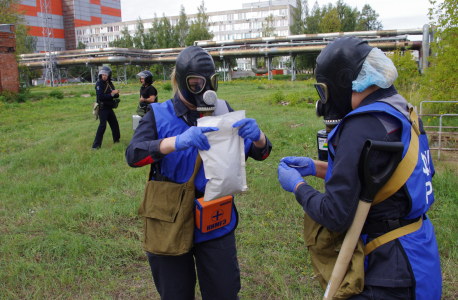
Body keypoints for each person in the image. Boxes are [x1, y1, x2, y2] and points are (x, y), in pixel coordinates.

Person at [277, 36, 441, 300]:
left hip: (387, 271)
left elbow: (335, 215)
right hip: (420, 255)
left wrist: (297, 186)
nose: (325, 100)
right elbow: (383, 175)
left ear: (343, 82)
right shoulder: (402, 110)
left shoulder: (360, 124)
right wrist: (316, 167)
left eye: (324, 90)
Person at [125, 46, 272, 300]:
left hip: (215, 217)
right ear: (181, 82)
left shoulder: (223, 109)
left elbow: (261, 152)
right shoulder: (159, 114)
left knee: (224, 292)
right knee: (176, 294)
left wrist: (259, 138)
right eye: (195, 84)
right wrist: (176, 142)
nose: (203, 90)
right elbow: (134, 155)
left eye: (208, 82)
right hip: (170, 218)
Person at [92, 66, 120, 150]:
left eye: (105, 75)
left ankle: (116, 140)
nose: (104, 76)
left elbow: (113, 94)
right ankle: (96, 146)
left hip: (109, 108)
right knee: (102, 126)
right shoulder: (99, 84)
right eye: (102, 74)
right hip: (102, 108)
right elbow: (100, 96)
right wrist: (111, 94)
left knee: (114, 124)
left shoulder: (110, 83)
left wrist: (116, 93)